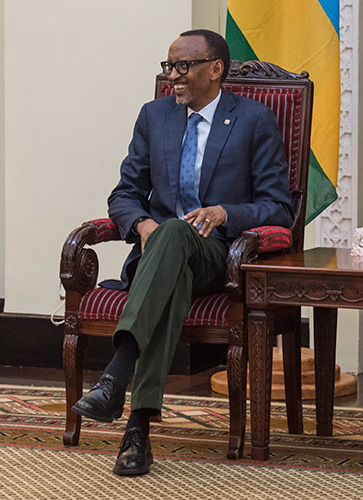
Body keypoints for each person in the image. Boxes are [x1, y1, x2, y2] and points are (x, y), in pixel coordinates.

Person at [71, 29, 292, 476]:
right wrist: (143, 224)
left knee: (176, 234)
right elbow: (124, 195)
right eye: (167, 66)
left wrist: (224, 212)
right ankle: (136, 432)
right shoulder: (155, 117)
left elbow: (278, 208)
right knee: (170, 247)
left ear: (215, 69)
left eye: (182, 66)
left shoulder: (254, 119)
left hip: (218, 257)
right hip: (162, 259)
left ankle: (117, 373)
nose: (172, 76)